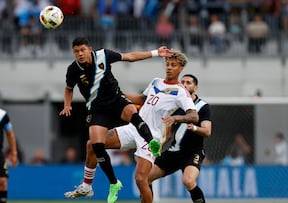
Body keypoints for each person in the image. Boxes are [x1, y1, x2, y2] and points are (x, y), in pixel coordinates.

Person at [64, 50, 199, 203]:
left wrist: (176, 118)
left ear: (181, 68)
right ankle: (87, 186)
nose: (168, 68)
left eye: (173, 65)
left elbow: (194, 116)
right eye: (167, 64)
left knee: (141, 180)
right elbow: (142, 99)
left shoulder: (182, 92)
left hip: (152, 138)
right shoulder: (156, 81)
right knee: (92, 145)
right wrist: (117, 94)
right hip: (133, 128)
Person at [148, 74, 212, 203]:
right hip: (174, 151)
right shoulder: (175, 106)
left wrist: (194, 128)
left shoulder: (203, 106)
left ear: (196, 87)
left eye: (189, 82)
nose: (185, 85)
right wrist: (154, 147)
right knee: (145, 178)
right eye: (182, 82)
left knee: (188, 181)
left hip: (193, 152)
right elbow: (168, 136)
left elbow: (207, 131)